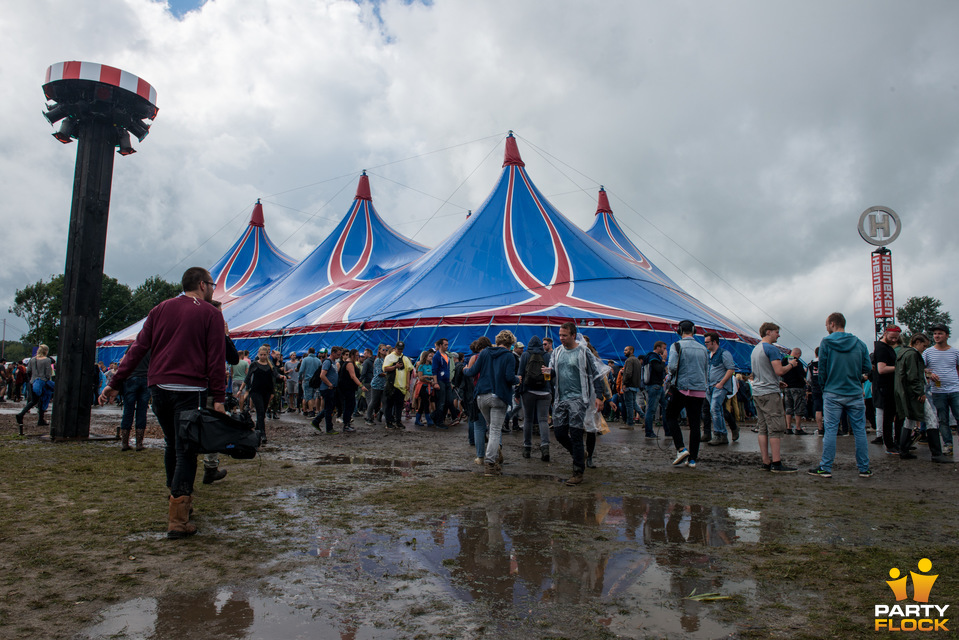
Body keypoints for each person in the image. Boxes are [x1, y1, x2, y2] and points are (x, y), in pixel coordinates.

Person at [99, 267, 226, 539]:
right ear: (202, 285)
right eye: (212, 284)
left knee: (173, 444)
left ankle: (176, 497)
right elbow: (216, 359)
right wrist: (219, 398)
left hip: (159, 389)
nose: (214, 289)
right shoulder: (211, 313)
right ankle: (178, 519)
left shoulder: (159, 309)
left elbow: (137, 349)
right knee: (186, 450)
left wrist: (115, 382)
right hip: (190, 389)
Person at [809, 312, 873, 478]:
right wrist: (857, 376)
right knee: (859, 430)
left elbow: (821, 368)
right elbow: (867, 367)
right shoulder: (859, 343)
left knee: (830, 430)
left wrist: (824, 386)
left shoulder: (827, 342)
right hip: (854, 392)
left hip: (833, 392)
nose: (826, 328)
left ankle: (826, 467)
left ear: (832, 324)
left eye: (826, 325)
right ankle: (864, 468)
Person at [548, 323, 605, 485]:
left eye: (564, 335)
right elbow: (553, 371)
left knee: (576, 434)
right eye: (560, 335)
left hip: (579, 399)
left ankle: (578, 472)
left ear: (573, 335)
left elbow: (596, 374)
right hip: (560, 398)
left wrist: (599, 396)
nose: (561, 338)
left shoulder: (583, 351)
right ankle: (579, 454)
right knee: (559, 433)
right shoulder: (557, 352)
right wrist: (548, 372)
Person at [463, 330, 520, 476]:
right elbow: (509, 377)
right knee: (495, 430)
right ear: (511, 343)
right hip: (498, 396)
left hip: (481, 396)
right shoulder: (509, 356)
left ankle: (494, 452)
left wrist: (465, 370)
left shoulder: (485, 353)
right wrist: (517, 379)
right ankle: (490, 463)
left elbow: (473, 371)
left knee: (491, 428)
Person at [750, 323, 799, 473]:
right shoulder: (771, 349)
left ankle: (766, 461)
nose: (778, 335)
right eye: (777, 332)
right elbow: (779, 370)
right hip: (770, 393)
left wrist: (777, 383)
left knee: (763, 428)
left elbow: (759, 373)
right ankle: (777, 463)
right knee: (775, 428)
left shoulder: (755, 349)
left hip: (758, 391)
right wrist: (791, 364)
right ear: (768, 332)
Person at [896, 333, 951, 463]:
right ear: (917, 343)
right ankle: (936, 453)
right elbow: (913, 377)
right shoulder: (913, 355)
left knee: (909, 421)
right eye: (924, 346)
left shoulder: (903, 353)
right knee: (932, 420)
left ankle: (903, 450)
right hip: (915, 394)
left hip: (906, 394)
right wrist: (920, 392)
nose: (924, 349)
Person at [664, 321, 709, 469]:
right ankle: (693, 460)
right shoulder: (703, 348)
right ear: (694, 330)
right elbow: (705, 369)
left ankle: (681, 448)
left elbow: (671, 367)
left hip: (682, 388)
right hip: (699, 390)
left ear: (679, 330)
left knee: (670, 416)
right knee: (695, 423)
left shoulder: (676, 346)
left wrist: (669, 378)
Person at [923, 323, 959, 456]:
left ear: (947, 335)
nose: (937, 336)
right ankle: (948, 444)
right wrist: (929, 374)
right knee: (943, 419)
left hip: (955, 389)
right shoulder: (928, 352)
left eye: (940, 333)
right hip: (938, 391)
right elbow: (922, 369)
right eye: (935, 334)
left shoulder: (955, 352)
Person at [517, 335, 551, 461]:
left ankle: (527, 448)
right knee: (543, 420)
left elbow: (520, 374)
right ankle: (545, 446)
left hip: (528, 391)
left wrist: (517, 392)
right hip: (544, 392)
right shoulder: (547, 355)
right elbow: (550, 375)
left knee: (528, 420)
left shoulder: (525, 355)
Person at [240, 345, 281, 445]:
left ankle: (257, 431)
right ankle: (263, 434)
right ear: (258, 354)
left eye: (264, 355)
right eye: (261, 355)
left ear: (267, 355)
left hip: (267, 392)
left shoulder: (270, 365)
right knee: (260, 411)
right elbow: (248, 377)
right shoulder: (254, 364)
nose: (262, 356)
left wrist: (282, 376)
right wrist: (242, 389)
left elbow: (275, 375)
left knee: (262, 413)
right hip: (256, 391)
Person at [872, 326, 902, 453]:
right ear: (885, 333)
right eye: (892, 337)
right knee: (888, 416)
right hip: (886, 386)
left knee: (891, 415)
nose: (894, 340)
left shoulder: (885, 347)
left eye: (896, 338)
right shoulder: (882, 348)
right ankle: (890, 444)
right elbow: (881, 369)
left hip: (888, 385)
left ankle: (894, 442)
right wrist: (900, 367)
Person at [703, 332, 737, 446]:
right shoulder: (708, 355)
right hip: (709, 387)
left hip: (719, 386)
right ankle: (722, 435)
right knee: (717, 411)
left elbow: (731, 369)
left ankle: (719, 433)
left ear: (714, 342)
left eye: (707, 342)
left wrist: (721, 383)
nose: (706, 344)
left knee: (714, 409)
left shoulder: (724, 353)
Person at [16, 344, 54, 428]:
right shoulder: (47, 360)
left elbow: (28, 371)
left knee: (33, 401)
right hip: (43, 382)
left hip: (33, 382)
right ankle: (40, 419)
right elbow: (48, 374)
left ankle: (21, 414)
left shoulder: (33, 360)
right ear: (46, 351)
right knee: (43, 400)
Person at [311, 346, 342, 433]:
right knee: (329, 408)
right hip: (327, 388)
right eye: (338, 354)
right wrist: (330, 384)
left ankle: (316, 421)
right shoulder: (327, 362)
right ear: (333, 353)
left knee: (329, 407)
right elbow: (322, 375)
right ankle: (329, 428)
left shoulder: (333, 362)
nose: (339, 356)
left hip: (331, 388)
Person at [383, 342, 414, 429]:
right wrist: (395, 366)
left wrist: (407, 384)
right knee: (389, 404)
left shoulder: (405, 358)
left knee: (399, 405)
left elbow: (408, 370)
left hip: (402, 386)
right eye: (398, 349)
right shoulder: (389, 357)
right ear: (395, 348)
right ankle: (388, 422)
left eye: (401, 349)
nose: (400, 351)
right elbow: (385, 368)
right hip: (392, 384)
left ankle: (398, 421)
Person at [337, 349, 366, 432]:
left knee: (351, 405)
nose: (358, 357)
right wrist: (361, 386)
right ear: (352, 355)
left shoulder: (351, 363)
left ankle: (347, 423)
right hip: (347, 388)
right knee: (348, 406)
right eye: (357, 355)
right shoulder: (349, 364)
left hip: (349, 388)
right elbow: (353, 376)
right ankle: (346, 424)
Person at [782, 348, 809, 435]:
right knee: (798, 407)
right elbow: (802, 374)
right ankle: (798, 428)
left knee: (788, 408)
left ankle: (788, 427)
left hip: (786, 387)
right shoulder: (797, 362)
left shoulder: (784, 360)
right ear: (798, 354)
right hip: (797, 387)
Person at [643, 342, 668, 438]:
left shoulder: (651, 357)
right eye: (664, 348)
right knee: (651, 410)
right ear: (658, 348)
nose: (665, 350)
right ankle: (649, 432)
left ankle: (668, 430)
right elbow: (658, 369)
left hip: (657, 386)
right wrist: (664, 360)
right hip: (655, 386)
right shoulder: (653, 357)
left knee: (665, 407)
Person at [365, 344, 388, 425]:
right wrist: (388, 374)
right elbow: (379, 373)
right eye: (383, 350)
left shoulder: (385, 360)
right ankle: (368, 418)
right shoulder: (378, 360)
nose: (384, 351)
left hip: (383, 384)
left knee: (384, 401)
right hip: (377, 383)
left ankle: (381, 414)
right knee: (374, 401)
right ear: (379, 350)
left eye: (386, 350)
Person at [621, 346, 643, 428]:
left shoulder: (629, 360)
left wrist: (624, 383)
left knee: (629, 405)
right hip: (635, 385)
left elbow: (629, 373)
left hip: (629, 386)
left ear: (631, 351)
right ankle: (644, 417)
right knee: (634, 404)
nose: (624, 352)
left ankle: (630, 423)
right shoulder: (637, 360)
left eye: (626, 350)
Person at [414, 350, 436, 426]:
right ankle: (428, 419)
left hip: (429, 386)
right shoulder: (421, 366)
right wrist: (429, 378)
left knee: (423, 403)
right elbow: (420, 378)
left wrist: (428, 378)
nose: (431, 357)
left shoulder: (431, 366)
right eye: (430, 356)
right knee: (426, 402)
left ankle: (417, 419)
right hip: (422, 386)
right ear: (425, 357)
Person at [807, 348, 824, 436]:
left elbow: (808, 379)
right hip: (826, 388)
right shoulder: (826, 363)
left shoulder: (810, 365)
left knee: (818, 409)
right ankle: (831, 428)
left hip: (815, 389)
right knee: (829, 408)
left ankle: (820, 428)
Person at [299, 348, 321, 417]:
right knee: (314, 395)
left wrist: (300, 378)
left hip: (307, 379)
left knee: (308, 396)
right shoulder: (318, 361)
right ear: (314, 352)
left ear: (308, 352)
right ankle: (311, 409)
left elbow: (301, 370)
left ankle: (310, 411)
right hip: (316, 381)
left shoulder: (305, 360)